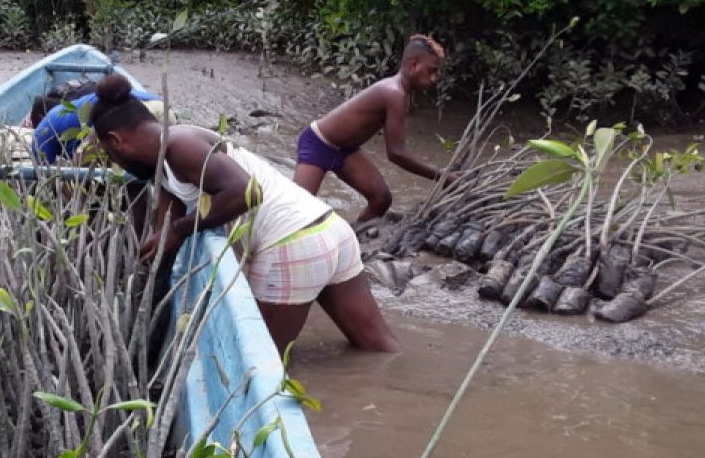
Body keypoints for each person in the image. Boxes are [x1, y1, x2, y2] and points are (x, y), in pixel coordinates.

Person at [89, 73, 402, 354]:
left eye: (109, 153)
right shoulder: (167, 161)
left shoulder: (179, 144)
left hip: (292, 243)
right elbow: (162, 240)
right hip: (327, 229)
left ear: (116, 140)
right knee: (379, 350)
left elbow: (246, 192)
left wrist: (180, 230)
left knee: (260, 367)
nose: (115, 163)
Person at [293, 33, 451, 222]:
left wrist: (442, 175)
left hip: (345, 150)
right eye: (431, 71)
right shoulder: (394, 93)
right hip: (318, 143)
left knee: (381, 199)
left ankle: (352, 239)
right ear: (413, 64)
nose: (434, 78)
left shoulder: (398, 93)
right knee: (297, 214)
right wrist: (441, 176)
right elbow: (396, 153)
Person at [30, 80, 163, 163]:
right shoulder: (71, 108)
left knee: (73, 177)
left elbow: (44, 172)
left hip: (143, 111)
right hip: (160, 106)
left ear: (40, 118)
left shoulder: (41, 133)